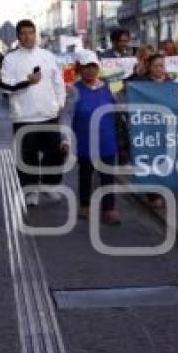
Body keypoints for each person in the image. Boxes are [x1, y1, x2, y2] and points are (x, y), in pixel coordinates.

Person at [0, 19, 67, 207]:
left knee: (55, 152)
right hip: (24, 116)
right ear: (18, 36)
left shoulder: (48, 55)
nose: (28, 36)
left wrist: (60, 102)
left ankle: (49, 184)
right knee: (26, 155)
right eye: (23, 33)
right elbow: (5, 85)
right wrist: (27, 81)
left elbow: (58, 81)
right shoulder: (10, 59)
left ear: (35, 34)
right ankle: (30, 191)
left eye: (31, 32)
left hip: (48, 114)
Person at [60, 49, 120, 225]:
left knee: (107, 176)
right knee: (86, 173)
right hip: (85, 140)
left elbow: (123, 107)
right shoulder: (73, 91)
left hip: (107, 139)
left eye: (93, 67)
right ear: (79, 69)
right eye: (86, 67)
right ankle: (85, 204)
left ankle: (109, 209)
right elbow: (66, 116)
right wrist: (65, 139)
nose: (90, 71)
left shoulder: (110, 87)